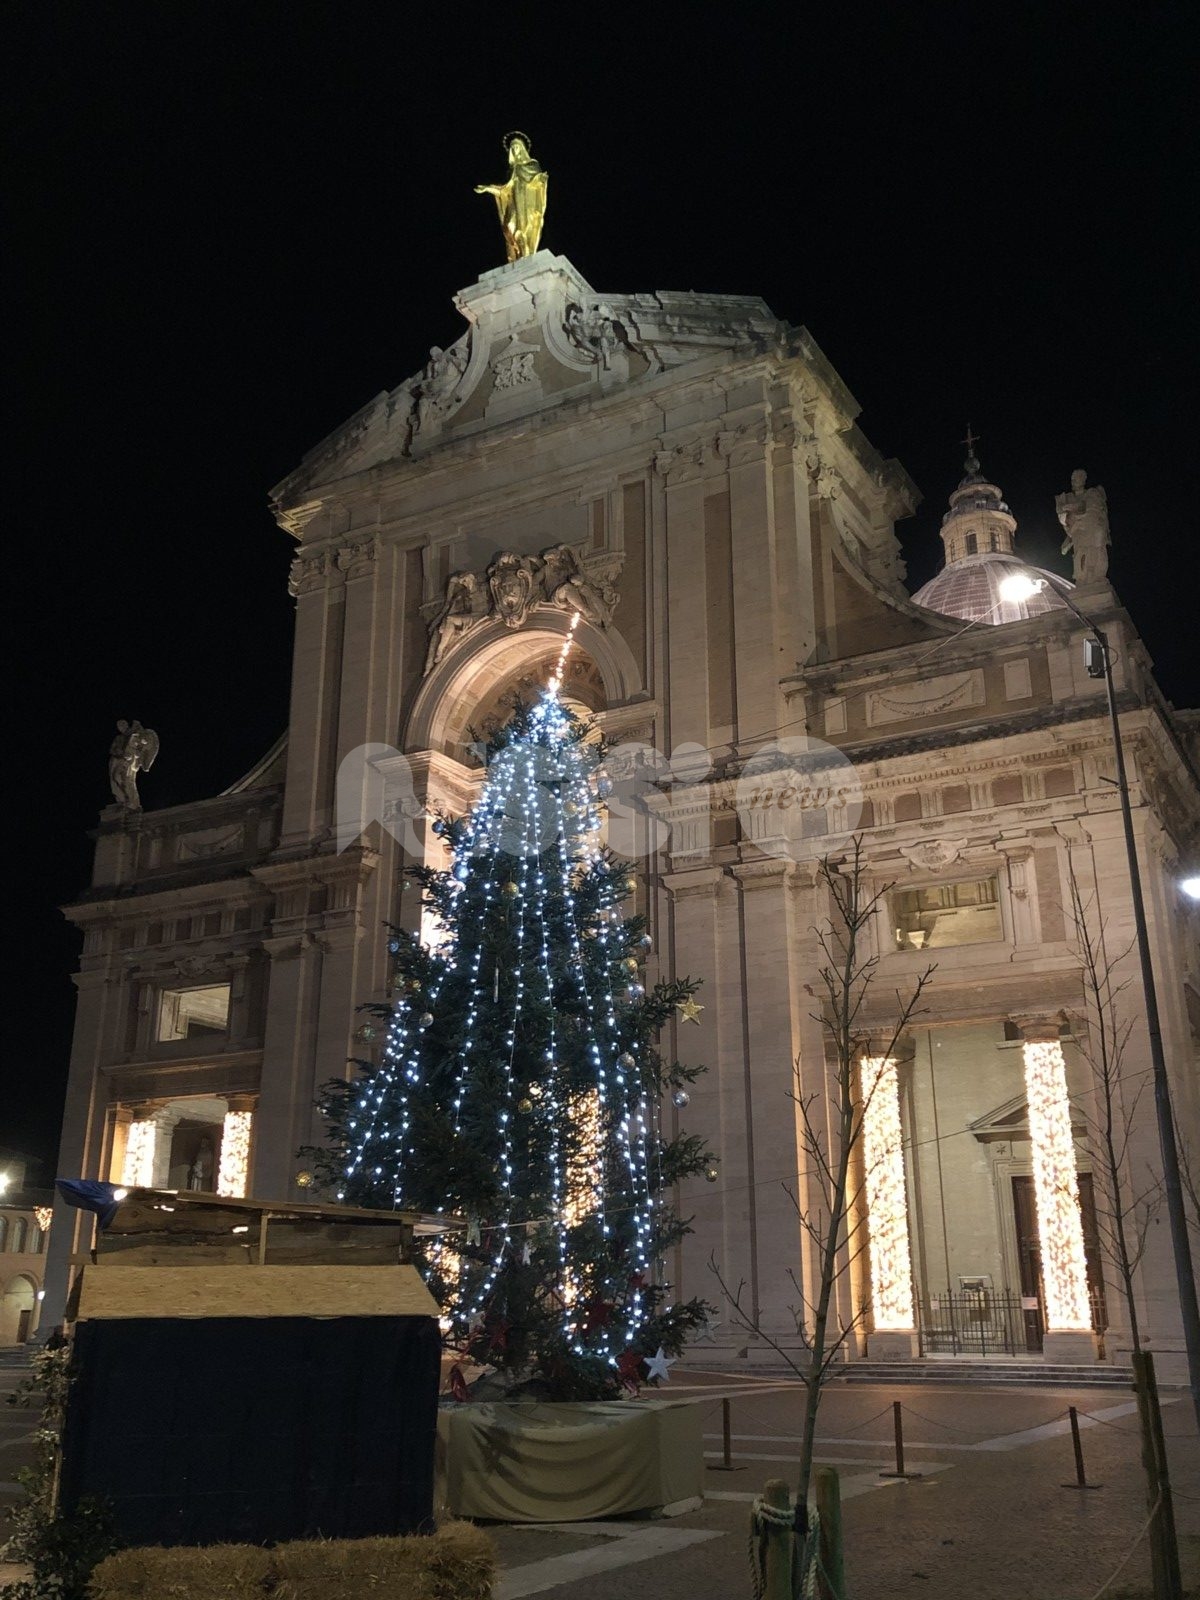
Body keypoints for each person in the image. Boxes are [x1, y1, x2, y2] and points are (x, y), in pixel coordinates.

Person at [474, 132, 548, 262]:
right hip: (515, 204)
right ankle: (520, 255)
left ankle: (526, 255)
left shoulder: (532, 164)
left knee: (526, 229)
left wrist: (540, 179)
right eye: (512, 148)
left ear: (522, 149)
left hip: (528, 204)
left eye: (517, 146)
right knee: (510, 226)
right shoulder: (511, 171)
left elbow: (538, 180)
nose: (514, 149)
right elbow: (504, 191)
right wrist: (488, 189)